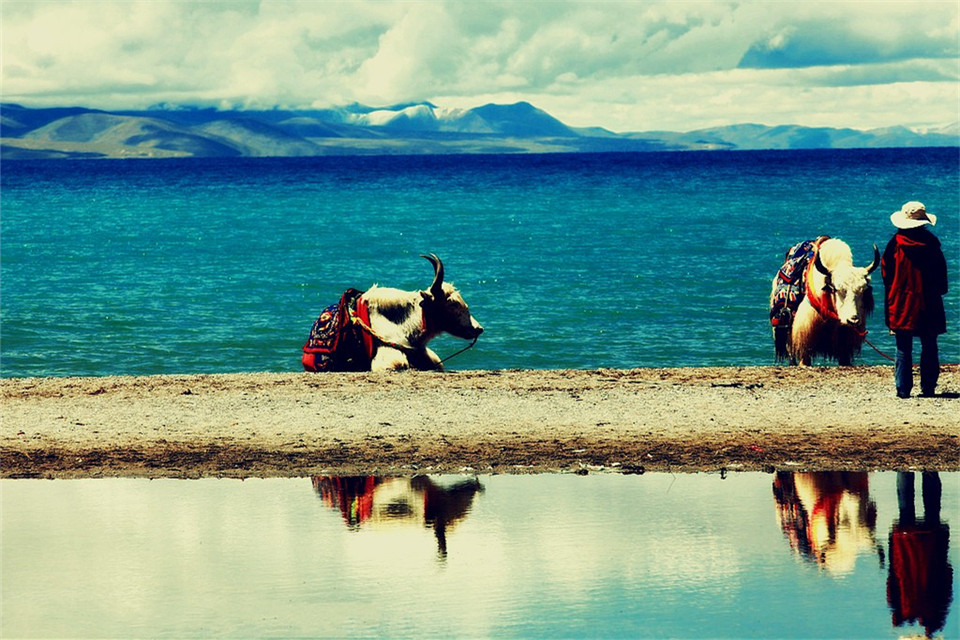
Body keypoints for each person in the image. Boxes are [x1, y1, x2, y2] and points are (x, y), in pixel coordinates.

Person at [881, 201, 948, 398]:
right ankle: (928, 388)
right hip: (929, 302)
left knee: (903, 347)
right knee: (929, 344)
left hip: (902, 303)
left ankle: (903, 390)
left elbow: (887, 275)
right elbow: (942, 278)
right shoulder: (932, 245)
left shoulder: (894, 245)